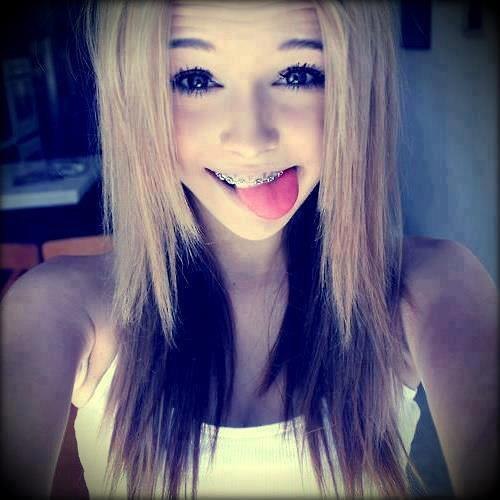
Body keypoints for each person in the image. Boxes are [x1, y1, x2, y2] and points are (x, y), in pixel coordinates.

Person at [1, 0, 497, 498]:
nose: (252, 140)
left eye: (299, 74)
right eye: (195, 79)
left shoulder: (435, 287)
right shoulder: (58, 307)